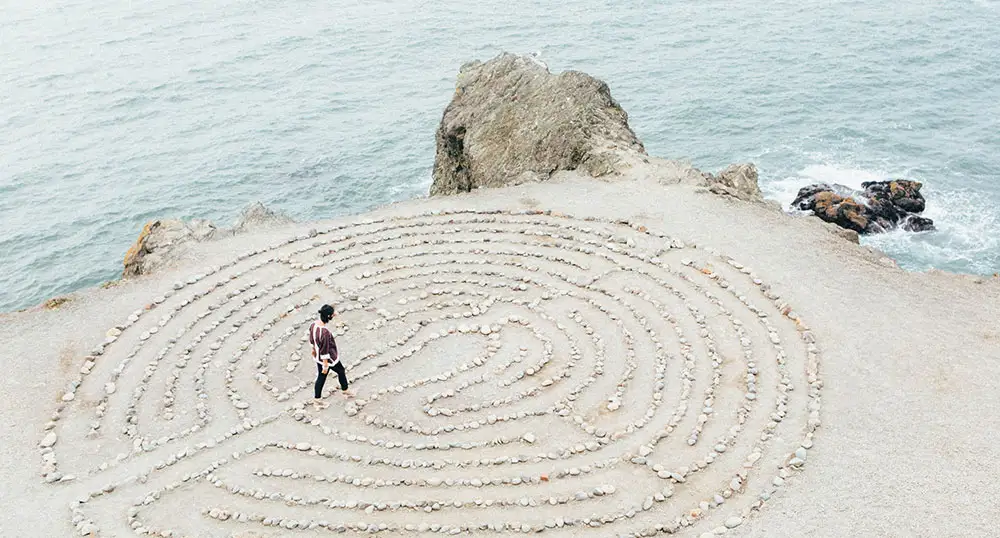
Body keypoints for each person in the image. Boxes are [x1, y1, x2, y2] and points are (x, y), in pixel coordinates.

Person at [308, 304, 352, 409]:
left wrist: (313, 350)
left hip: (318, 357)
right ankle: (345, 390)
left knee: (321, 377)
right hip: (329, 359)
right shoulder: (325, 333)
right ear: (328, 316)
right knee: (340, 371)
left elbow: (311, 339)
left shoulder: (313, 325)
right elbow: (325, 349)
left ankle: (317, 399)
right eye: (332, 315)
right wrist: (325, 365)